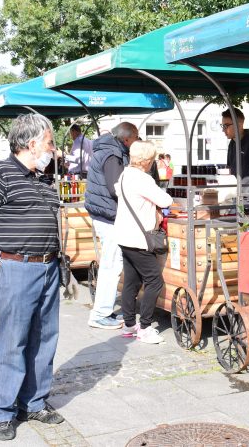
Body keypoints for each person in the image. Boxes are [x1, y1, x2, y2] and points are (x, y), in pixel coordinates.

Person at [0, 113, 63, 441]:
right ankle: (3, 412)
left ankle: (34, 401)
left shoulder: (44, 177)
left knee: (45, 338)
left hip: (49, 267)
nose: (54, 149)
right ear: (32, 143)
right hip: (15, 268)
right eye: (50, 142)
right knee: (14, 340)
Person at [115, 140, 172, 344]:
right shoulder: (142, 179)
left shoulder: (124, 175)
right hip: (139, 239)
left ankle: (130, 325)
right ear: (147, 161)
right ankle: (146, 327)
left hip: (124, 236)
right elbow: (165, 201)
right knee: (155, 281)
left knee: (131, 281)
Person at [84, 122, 140, 330]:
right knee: (111, 265)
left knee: (111, 263)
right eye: (136, 137)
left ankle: (103, 311)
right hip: (108, 217)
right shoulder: (113, 155)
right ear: (127, 139)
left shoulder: (108, 150)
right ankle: (100, 314)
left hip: (104, 214)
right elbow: (116, 188)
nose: (137, 141)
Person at [222, 108, 249, 208]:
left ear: (239, 124)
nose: (223, 130)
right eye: (222, 126)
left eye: (226, 125)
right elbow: (230, 173)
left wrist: (247, 204)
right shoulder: (232, 143)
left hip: (248, 205)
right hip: (235, 201)